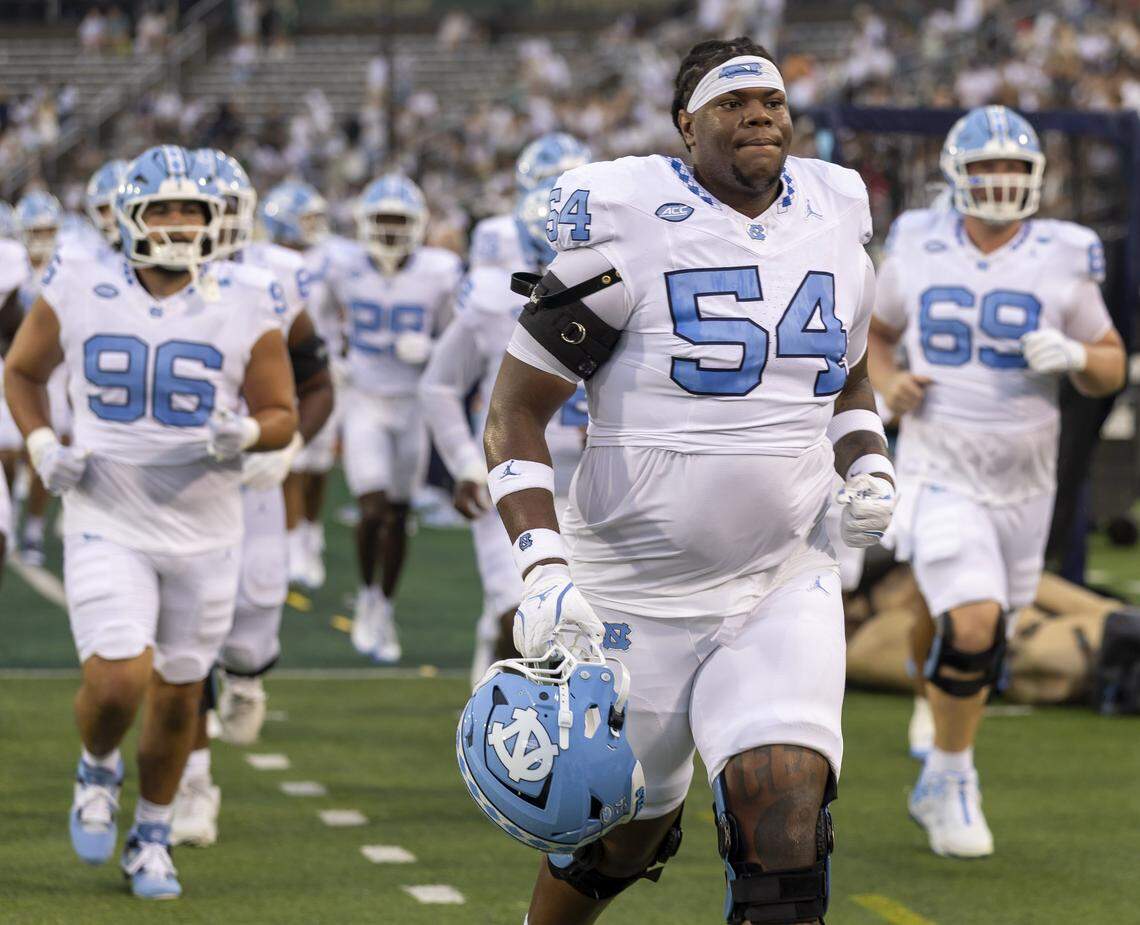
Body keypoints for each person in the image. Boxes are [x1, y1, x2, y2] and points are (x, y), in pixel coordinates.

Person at [481, 38, 894, 925]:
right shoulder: (627, 223)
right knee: (620, 835)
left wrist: (870, 462)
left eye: (773, 102)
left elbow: (849, 381)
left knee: (781, 810)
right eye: (733, 103)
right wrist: (543, 567)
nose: (760, 116)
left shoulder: (833, 219)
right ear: (685, 126)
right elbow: (516, 410)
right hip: (636, 588)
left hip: (781, 575)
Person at [2, 144, 298, 899]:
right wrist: (40, 440)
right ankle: (97, 766)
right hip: (107, 511)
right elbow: (21, 370)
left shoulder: (249, 293)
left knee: (176, 694)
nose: (176, 222)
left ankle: (153, 834)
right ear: (128, 217)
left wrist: (250, 435)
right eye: (162, 208)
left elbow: (281, 411)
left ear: (214, 219)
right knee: (115, 681)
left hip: (207, 530)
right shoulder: (78, 280)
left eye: (191, 210)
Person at [867, 105, 1125, 859]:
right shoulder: (917, 240)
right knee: (972, 620)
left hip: (1025, 479)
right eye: (987, 167)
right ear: (958, 174)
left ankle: (934, 705)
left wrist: (1077, 359)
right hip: (939, 464)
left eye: (1014, 167)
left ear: (1036, 175)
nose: (1002, 180)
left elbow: (1111, 356)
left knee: (984, 625)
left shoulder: (1064, 252)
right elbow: (878, 336)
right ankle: (949, 775)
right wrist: (889, 386)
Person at [170, 153, 333, 849]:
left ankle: (248, 673)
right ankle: (191, 786)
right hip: (171, 484)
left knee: (254, 614)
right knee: (181, 638)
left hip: (252, 475)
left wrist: (290, 446)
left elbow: (318, 381)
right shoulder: (129, 287)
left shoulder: (270, 283)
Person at [420, 166, 589, 687]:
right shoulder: (497, 296)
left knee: (591, 626)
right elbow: (440, 385)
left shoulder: (631, 288)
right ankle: (494, 721)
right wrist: (467, 465)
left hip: (597, 483)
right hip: (515, 474)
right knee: (518, 611)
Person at [325, 173, 462, 663]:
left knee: (400, 513)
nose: (387, 231)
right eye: (381, 220)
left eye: (397, 222)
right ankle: (366, 595)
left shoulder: (439, 271)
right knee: (373, 506)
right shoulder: (340, 266)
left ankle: (385, 603)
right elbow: (319, 318)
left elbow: (456, 339)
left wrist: (429, 349)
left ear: (417, 225)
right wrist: (332, 355)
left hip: (412, 404)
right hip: (364, 399)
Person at [261, 180, 340, 590]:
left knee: (318, 465)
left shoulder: (331, 257)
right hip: (281, 364)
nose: (315, 226)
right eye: (306, 219)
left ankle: (310, 531)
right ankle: (293, 543)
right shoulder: (265, 262)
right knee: (290, 458)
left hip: (322, 366)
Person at [11, 190, 69, 566]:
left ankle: (32, 529)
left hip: (57, 369)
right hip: (13, 366)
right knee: (8, 449)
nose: (43, 236)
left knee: (46, 445)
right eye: (36, 229)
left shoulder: (67, 267)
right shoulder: (10, 265)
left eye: (49, 229)